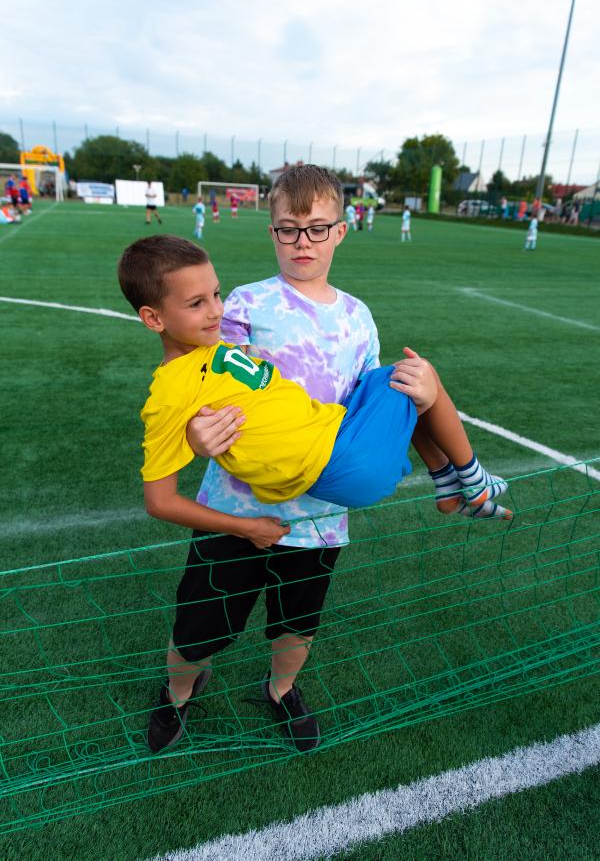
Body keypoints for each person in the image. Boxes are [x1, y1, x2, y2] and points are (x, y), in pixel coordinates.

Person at [118, 231, 512, 753]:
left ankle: (281, 690)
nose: (215, 310)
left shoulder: (231, 344)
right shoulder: (172, 389)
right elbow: (160, 500)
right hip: (288, 489)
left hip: (324, 498)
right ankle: (177, 695)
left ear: (339, 231)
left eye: (216, 294)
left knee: (298, 622)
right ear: (153, 318)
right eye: (197, 303)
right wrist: (241, 519)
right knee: (198, 629)